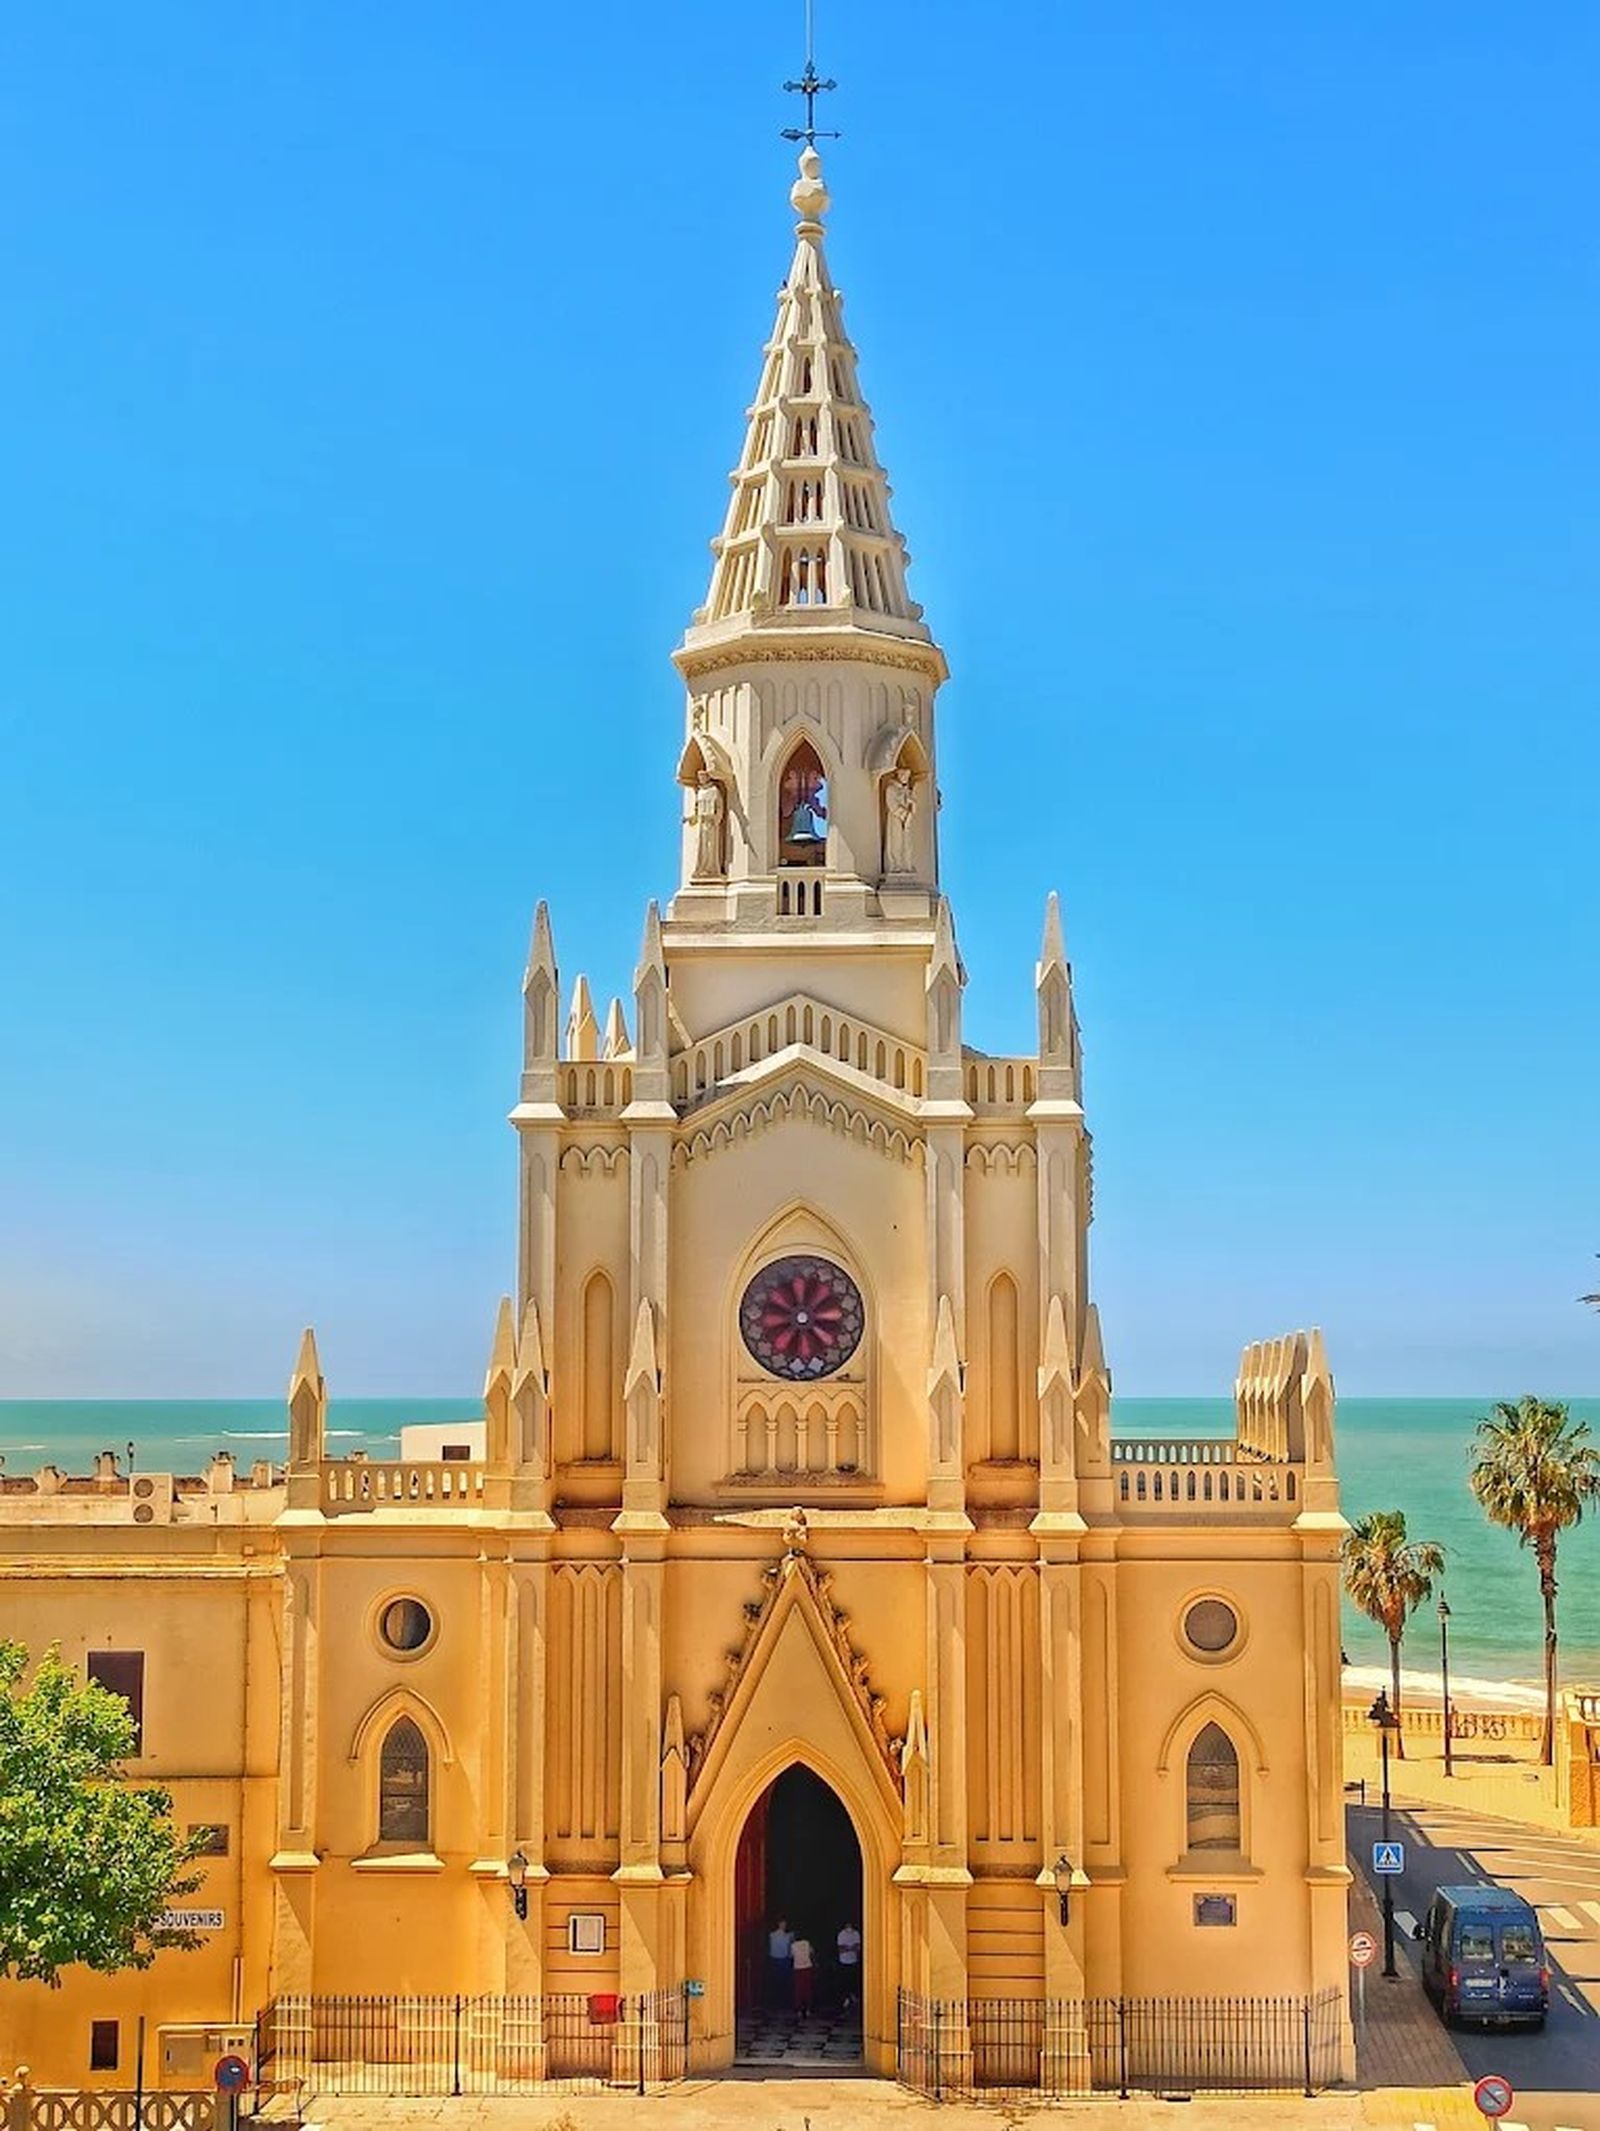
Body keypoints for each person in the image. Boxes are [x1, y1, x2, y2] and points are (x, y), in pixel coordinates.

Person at [767, 1916, 793, 2011]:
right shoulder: (785, 1936)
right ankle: (781, 2003)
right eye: (783, 1923)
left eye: (785, 1924)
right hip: (781, 1960)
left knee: (778, 1982)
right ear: (779, 1924)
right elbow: (788, 1949)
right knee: (783, 1982)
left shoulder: (772, 1935)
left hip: (777, 1960)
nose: (784, 1925)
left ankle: (778, 2003)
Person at [836, 1919, 861, 2011]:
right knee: (844, 1982)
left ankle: (853, 1997)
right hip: (844, 1961)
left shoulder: (856, 1934)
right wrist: (851, 1948)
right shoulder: (841, 1934)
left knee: (853, 1981)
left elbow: (858, 1948)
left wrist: (848, 1948)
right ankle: (846, 1999)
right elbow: (840, 1949)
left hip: (853, 1961)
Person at [790, 1929, 815, 2018]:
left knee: (798, 1990)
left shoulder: (793, 1945)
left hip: (798, 1968)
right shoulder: (807, 1943)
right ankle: (808, 2009)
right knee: (808, 1989)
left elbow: (791, 1955)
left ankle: (799, 2010)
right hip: (807, 1967)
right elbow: (812, 1952)